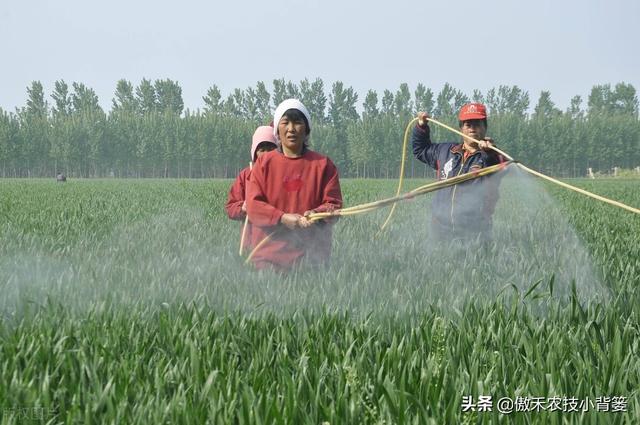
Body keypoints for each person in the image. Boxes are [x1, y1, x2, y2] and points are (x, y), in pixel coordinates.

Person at [246, 99, 343, 270]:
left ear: (306, 130)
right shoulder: (264, 165)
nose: (291, 129)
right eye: (285, 123)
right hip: (269, 258)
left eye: (297, 122)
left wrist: (316, 215)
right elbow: (254, 205)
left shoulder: (323, 165)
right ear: (277, 129)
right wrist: (282, 218)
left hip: (312, 259)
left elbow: (334, 205)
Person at [412, 103, 505, 241]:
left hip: (474, 235)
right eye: (468, 124)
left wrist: (489, 151)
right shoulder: (445, 151)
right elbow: (421, 150)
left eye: (477, 124)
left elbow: (497, 166)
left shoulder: (492, 157)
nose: (472, 129)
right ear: (461, 128)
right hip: (440, 231)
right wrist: (421, 127)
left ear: (485, 128)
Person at [225, 126, 277, 249]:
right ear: (254, 153)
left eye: (270, 149)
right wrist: (243, 208)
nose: (265, 154)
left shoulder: (284, 174)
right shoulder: (246, 175)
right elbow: (231, 208)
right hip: (250, 243)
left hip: (279, 240)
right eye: (261, 150)